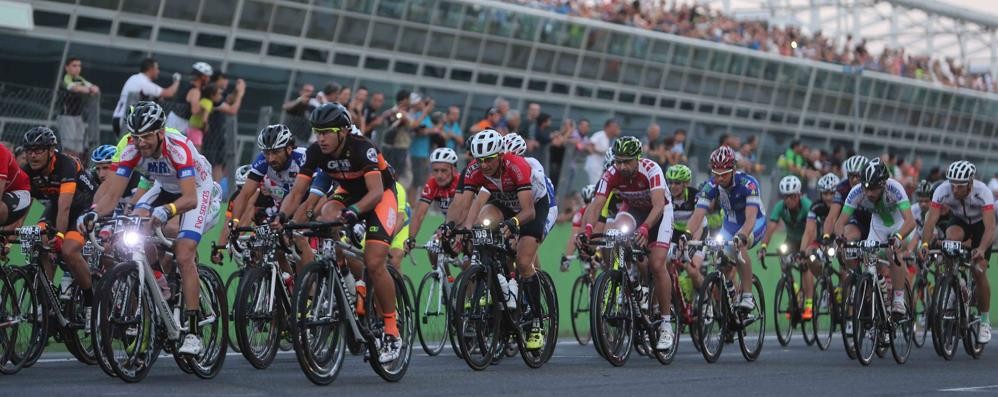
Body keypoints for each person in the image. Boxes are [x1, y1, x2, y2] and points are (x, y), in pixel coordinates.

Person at [79, 101, 221, 356]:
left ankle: (192, 332)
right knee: (133, 224)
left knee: (184, 253)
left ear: (160, 133)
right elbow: (112, 196)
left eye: (146, 136)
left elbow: (189, 198)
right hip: (165, 188)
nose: (141, 142)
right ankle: (160, 286)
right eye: (136, 137)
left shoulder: (177, 149)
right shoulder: (132, 150)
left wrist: (167, 211)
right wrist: (92, 213)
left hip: (197, 191)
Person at [273, 103, 402, 363]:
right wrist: (282, 217)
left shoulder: (362, 147)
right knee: (325, 215)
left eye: (327, 132)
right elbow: (298, 193)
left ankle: (391, 330)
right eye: (317, 132)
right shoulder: (315, 152)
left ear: (343, 131)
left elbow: (376, 193)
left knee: (375, 261)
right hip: (348, 192)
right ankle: (341, 271)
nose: (321, 138)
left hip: (380, 196)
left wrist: (355, 211)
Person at [576, 136, 675, 351]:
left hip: (659, 213)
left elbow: (658, 205)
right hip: (632, 210)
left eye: (626, 162)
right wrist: (588, 232)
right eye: (618, 161)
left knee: (657, 264)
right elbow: (596, 205)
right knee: (615, 233)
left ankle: (666, 325)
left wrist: (645, 228)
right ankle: (628, 278)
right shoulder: (611, 173)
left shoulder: (651, 169)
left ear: (637, 159)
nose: (621, 166)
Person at [454, 130, 549, 350]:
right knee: (481, 225)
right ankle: (493, 277)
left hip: (532, 207)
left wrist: (514, 224)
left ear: (500, 155)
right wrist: (455, 228)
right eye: (479, 160)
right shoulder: (474, 170)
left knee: (525, 262)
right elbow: (464, 205)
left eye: (488, 159)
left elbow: (527, 211)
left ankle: (536, 321)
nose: (484, 165)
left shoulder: (517, 166)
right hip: (503, 203)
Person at [20, 126, 99, 325]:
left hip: (82, 206)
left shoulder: (65, 165)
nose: (33, 155)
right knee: (41, 238)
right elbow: (22, 207)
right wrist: (13, 232)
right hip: (56, 205)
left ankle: (91, 302)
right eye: (29, 150)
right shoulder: (27, 171)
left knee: (68, 250)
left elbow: (65, 208)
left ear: (51, 151)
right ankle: (47, 302)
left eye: (38, 150)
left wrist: (61, 236)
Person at [684, 146, 767, 312]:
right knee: (722, 264)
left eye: (724, 174)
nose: (719, 178)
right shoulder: (710, 185)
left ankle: (748, 296)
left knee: (738, 245)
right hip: (729, 225)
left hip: (753, 223)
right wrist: (685, 235)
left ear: (734, 170)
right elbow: (698, 215)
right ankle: (730, 300)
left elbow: (750, 217)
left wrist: (742, 235)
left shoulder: (748, 184)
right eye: (716, 174)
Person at [919, 161, 994, 343]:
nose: (954, 189)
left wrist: (982, 249)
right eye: (951, 183)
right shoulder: (942, 190)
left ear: (970, 183)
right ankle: (954, 281)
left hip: (980, 228)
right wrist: (925, 245)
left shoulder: (983, 192)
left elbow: (990, 228)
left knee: (978, 270)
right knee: (950, 240)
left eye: (959, 186)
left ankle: (984, 320)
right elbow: (930, 221)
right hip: (959, 221)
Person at [832, 158, 915, 315]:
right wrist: (840, 238)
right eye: (866, 188)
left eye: (874, 189)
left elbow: (910, 221)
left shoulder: (895, 188)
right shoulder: (857, 191)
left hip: (900, 226)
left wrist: (898, 236)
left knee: (892, 252)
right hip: (878, 226)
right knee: (867, 256)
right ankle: (876, 297)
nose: (869, 193)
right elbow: (840, 222)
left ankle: (898, 299)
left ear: (883, 184)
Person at [225, 124, 309, 270]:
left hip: (311, 198)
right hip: (288, 202)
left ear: (289, 149)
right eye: (267, 153)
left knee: (297, 236)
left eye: (276, 152)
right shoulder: (262, 161)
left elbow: (309, 196)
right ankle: (288, 280)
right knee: (271, 241)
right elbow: (244, 195)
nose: (270, 158)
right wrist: (235, 222)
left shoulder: (302, 157)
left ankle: (308, 289)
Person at [758, 175, 815, 319]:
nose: (788, 200)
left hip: (808, 237)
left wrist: (803, 252)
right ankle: (795, 291)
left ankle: (809, 303)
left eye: (792, 197)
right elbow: (770, 227)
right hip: (791, 239)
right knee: (783, 258)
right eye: (785, 197)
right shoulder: (780, 207)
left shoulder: (807, 205)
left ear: (798, 195)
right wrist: (763, 246)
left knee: (804, 264)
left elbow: (810, 231)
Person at [405, 148, 460, 270]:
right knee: (432, 247)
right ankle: (443, 280)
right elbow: (419, 214)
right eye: (436, 170)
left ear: (453, 169)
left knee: (468, 264)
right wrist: (411, 238)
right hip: (448, 226)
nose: (439, 175)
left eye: (444, 170)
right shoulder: (432, 183)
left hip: (467, 225)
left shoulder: (461, 182)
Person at [111, 57, 181, 136]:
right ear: (150, 69)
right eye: (157, 68)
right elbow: (169, 93)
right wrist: (177, 80)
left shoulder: (134, 78)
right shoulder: (143, 82)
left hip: (117, 116)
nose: (158, 71)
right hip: (125, 120)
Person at [58, 57, 100, 157]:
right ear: (67, 67)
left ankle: (75, 166)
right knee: (68, 147)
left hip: (79, 117)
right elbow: (73, 88)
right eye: (74, 65)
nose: (77, 68)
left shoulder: (80, 79)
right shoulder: (65, 78)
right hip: (66, 117)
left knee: (78, 147)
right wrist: (87, 89)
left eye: (79, 66)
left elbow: (95, 88)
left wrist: (89, 89)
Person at [165, 62, 213, 135]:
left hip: (176, 119)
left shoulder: (190, 87)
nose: (208, 79)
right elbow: (195, 111)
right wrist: (206, 106)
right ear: (202, 77)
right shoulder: (195, 91)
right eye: (207, 76)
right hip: (179, 122)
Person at [584, 119, 620, 184]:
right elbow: (589, 146)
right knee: (595, 186)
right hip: (594, 165)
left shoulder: (613, 139)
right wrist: (601, 152)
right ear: (607, 127)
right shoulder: (599, 134)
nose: (616, 129)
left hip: (602, 166)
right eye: (614, 126)